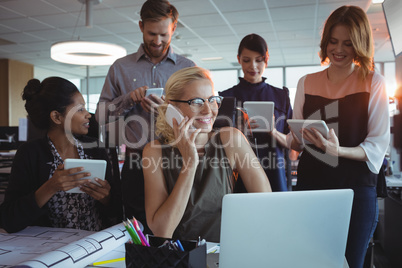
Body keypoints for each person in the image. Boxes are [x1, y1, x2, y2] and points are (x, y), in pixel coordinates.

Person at [288, 6, 390, 268]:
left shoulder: (373, 82)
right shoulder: (306, 82)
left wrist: (338, 150)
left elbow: (377, 145)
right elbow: (295, 143)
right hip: (311, 186)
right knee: (310, 261)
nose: (339, 49)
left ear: (360, 45)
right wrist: (296, 136)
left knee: (350, 262)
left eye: (348, 43)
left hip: (355, 190)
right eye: (333, 41)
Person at [95, 0, 195, 234]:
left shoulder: (186, 67)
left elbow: (199, 114)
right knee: (140, 232)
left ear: (174, 28)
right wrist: (129, 99)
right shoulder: (120, 67)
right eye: (151, 34)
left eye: (163, 34)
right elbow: (100, 115)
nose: (157, 41)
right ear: (141, 26)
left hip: (176, 158)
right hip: (135, 162)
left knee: (179, 228)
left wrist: (170, 109)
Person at [142, 66, 272, 243]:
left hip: (225, 250)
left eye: (212, 99)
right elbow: (162, 231)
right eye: (196, 102)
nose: (208, 110)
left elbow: (267, 206)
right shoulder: (154, 152)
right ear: (173, 108)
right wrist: (189, 164)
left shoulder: (231, 139)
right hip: (180, 256)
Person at [0, 77, 123, 233]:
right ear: (57, 117)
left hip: (94, 243)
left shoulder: (97, 149)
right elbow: (8, 219)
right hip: (50, 249)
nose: (88, 115)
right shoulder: (30, 154)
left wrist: (106, 198)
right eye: (80, 109)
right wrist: (51, 187)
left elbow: (117, 212)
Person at [219, 33, 293, 192]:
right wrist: (238, 133)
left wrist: (273, 132)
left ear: (266, 59)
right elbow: (217, 144)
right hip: (238, 172)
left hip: (275, 170)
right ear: (238, 59)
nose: (253, 66)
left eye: (259, 60)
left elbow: (292, 142)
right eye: (246, 60)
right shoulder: (226, 97)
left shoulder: (281, 96)